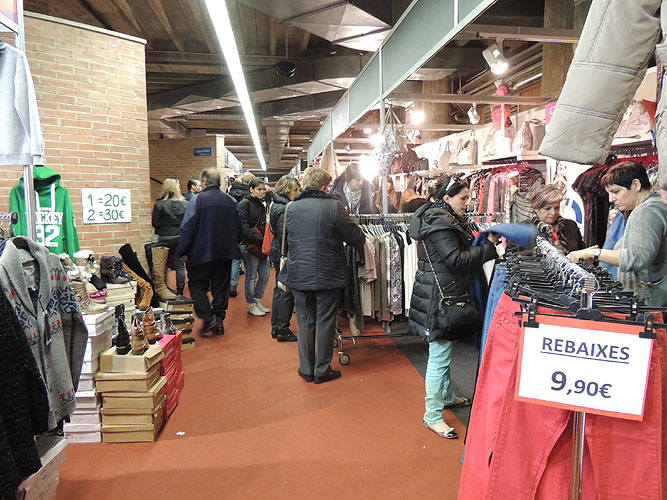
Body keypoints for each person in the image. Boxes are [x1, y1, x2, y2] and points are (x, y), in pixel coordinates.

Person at [408, 176, 500, 439]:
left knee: (443, 350)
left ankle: (446, 396)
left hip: (440, 294)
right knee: (439, 356)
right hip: (441, 298)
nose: (468, 203)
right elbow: (456, 260)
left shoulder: (441, 218)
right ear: (447, 199)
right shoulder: (441, 223)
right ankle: (432, 415)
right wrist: (490, 247)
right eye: (463, 198)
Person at [285, 167, 365, 384]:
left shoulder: (292, 207)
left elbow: (287, 240)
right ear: (322, 186)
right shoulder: (334, 206)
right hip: (327, 273)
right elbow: (355, 237)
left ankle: (306, 369)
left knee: (304, 321)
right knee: (325, 321)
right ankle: (322, 370)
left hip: (299, 273)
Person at [568, 161, 667, 307]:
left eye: (616, 192)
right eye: (609, 193)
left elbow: (637, 258)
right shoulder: (648, 208)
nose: (611, 199)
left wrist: (595, 253)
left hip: (652, 306)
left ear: (636, 185)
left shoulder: (647, 211)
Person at [178, 168, 241, 336]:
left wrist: (182, 251)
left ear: (204, 182)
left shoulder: (197, 200)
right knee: (221, 286)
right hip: (225, 253)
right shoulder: (231, 201)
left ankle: (207, 317)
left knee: (197, 285)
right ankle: (219, 320)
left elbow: (187, 228)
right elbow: (239, 228)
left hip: (202, 252)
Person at [269, 175, 301, 342]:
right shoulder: (285, 208)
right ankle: (282, 328)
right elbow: (285, 235)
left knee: (280, 289)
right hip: (285, 253)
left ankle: (276, 326)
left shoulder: (277, 204)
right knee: (286, 291)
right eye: (296, 190)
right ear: (288, 190)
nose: (298, 192)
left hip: (278, 251)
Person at [238, 177, 271, 317]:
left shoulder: (260, 204)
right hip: (249, 245)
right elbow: (243, 227)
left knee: (265, 275)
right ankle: (251, 304)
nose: (262, 192)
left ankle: (257, 299)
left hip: (260, 244)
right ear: (251, 189)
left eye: (263, 189)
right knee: (251, 276)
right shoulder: (244, 204)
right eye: (259, 189)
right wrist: (262, 240)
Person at [151, 178, 189, 295]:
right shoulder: (185, 203)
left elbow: (155, 223)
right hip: (180, 237)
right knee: (179, 265)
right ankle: (180, 291)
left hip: (164, 237)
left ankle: (165, 290)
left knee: (163, 266)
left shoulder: (159, 204)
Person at [528, 184, 584, 254]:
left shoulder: (571, 226)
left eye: (557, 208)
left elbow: (581, 251)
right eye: (547, 208)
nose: (553, 212)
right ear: (536, 208)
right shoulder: (523, 229)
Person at [228, 172, 256, 297]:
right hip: (246, 233)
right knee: (250, 265)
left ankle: (232, 284)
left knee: (234, 259)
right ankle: (250, 294)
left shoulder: (230, 193)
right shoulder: (249, 197)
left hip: (231, 230)